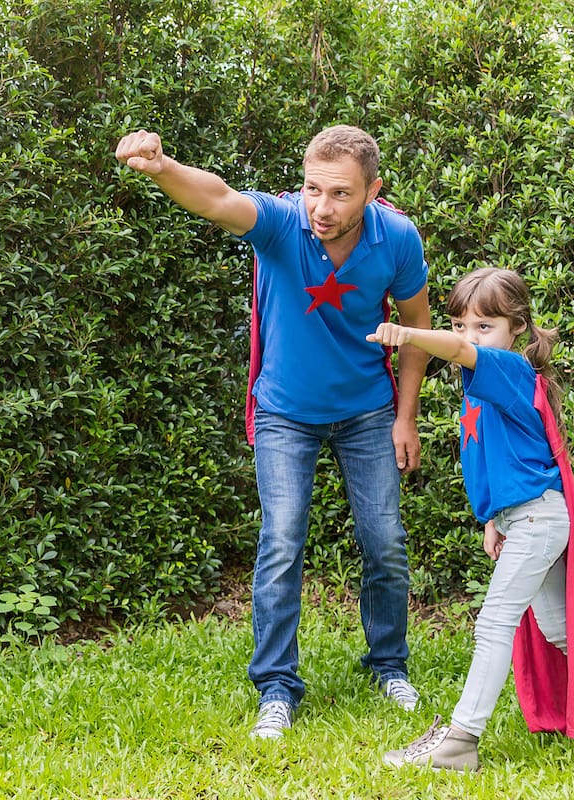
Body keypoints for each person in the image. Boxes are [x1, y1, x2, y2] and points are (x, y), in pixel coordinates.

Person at [115, 126, 432, 739]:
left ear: (373, 191)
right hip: (285, 411)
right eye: (313, 188)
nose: (322, 207)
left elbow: (417, 327)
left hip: (367, 411)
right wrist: (163, 166)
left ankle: (389, 665)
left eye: (340, 193)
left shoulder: (396, 238)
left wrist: (406, 415)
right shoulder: (282, 223)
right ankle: (277, 687)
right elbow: (218, 198)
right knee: (282, 542)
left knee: (385, 542)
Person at [367, 267, 574, 771]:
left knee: (494, 621)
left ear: (516, 327)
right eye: (459, 325)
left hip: (540, 519)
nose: (469, 337)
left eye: (484, 325)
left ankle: (461, 739)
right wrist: (493, 518)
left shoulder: (509, 370)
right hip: (524, 517)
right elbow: (506, 458)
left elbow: (459, 354)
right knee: (559, 627)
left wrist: (410, 333)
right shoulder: (483, 383)